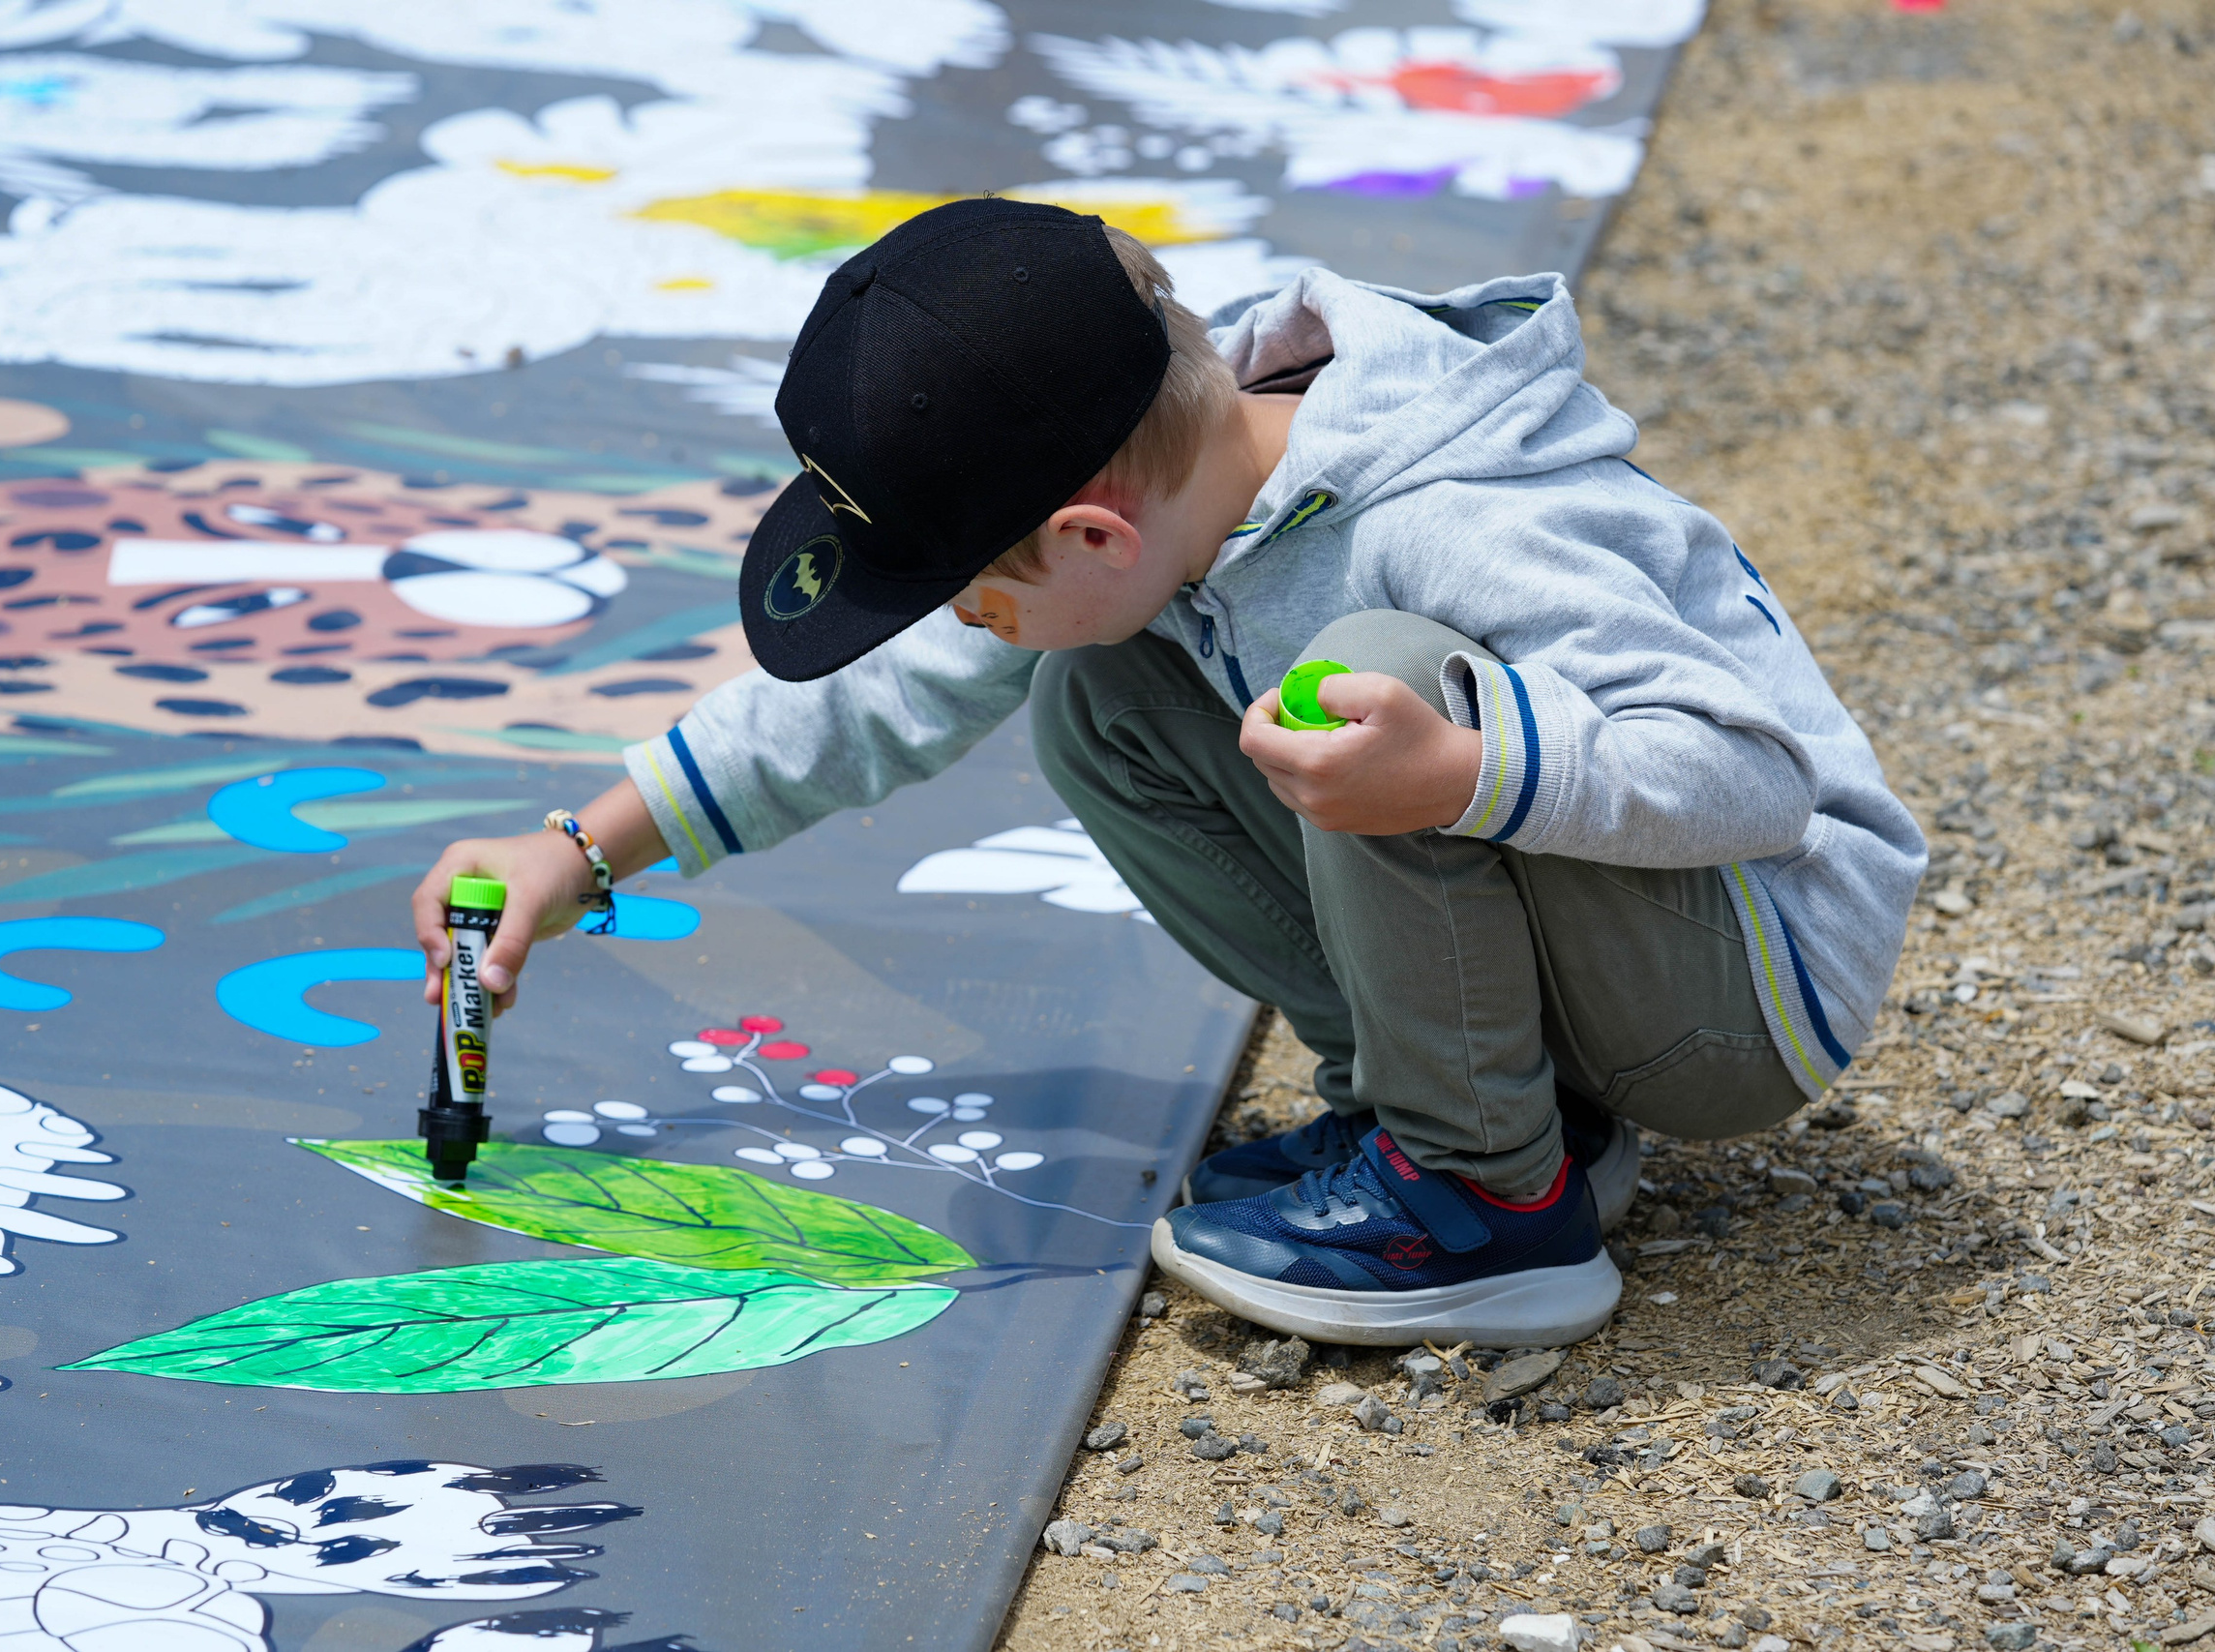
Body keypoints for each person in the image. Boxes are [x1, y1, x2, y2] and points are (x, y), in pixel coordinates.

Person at [412, 197, 1925, 1347]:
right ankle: (1499, 1124)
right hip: (1626, 937)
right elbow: (885, 701)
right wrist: (582, 844)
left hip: (1745, 984)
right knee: (1101, 696)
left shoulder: (1449, 517)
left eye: (965, 593)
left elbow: (1749, 778)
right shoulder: (1190, 464)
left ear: (1089, 537)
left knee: (1365, 685)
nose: (959, 626)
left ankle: (1488, 1204)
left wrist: (1456, 770)